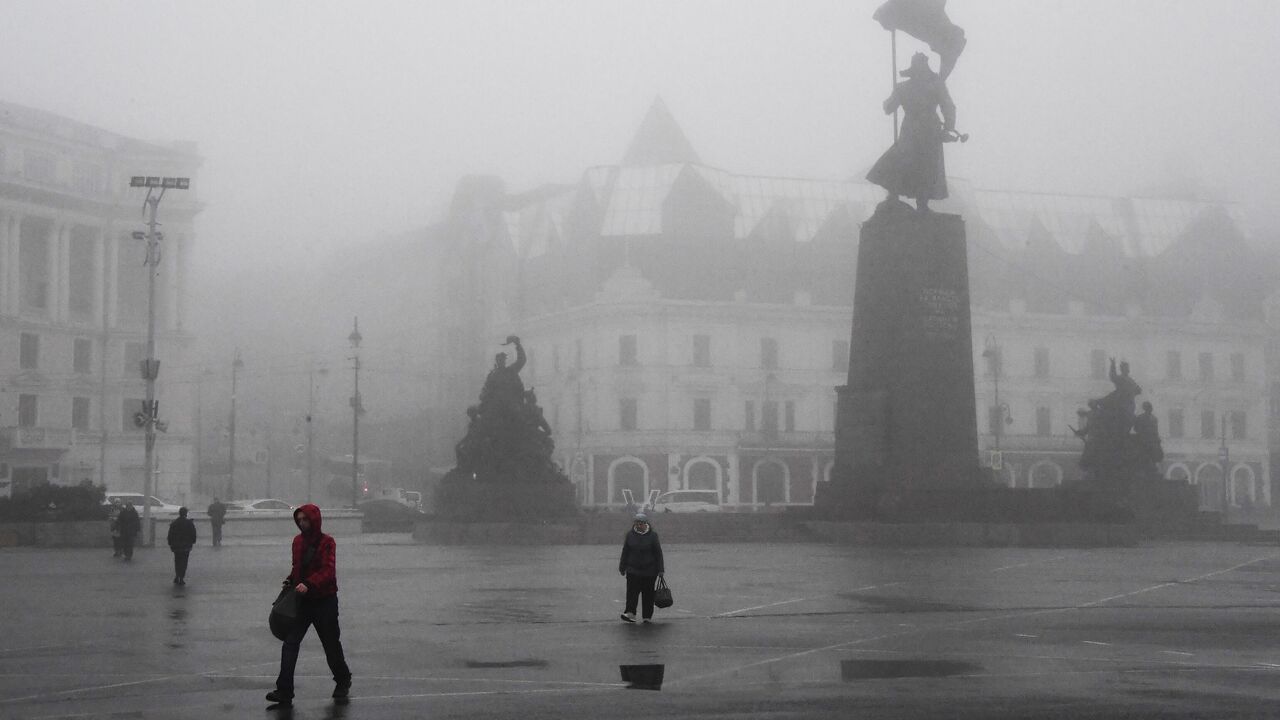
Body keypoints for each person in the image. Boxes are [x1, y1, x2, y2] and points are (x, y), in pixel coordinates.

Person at [266, 504, 352, 707]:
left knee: (331, 645)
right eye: (300, 519)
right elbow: (298, 568)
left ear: (314, 520)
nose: (302, 523)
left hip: (325, 601)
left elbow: (328, 570)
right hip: (302, 602)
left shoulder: (327, 542)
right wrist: (291, 580)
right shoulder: (297, 542)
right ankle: (284, 690)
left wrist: (310, 583)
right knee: (290, 644)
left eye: (306, 519)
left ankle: (342, 680)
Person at [866, 52, 956, 211]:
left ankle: (916, 202)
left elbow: (948, 107)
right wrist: (947, 127)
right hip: (920, 129)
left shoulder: (914, 87)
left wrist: (948, 127)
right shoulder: (920, 86)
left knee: (918, 164)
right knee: (910, 163)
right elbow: (948, 107)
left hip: (921, 130)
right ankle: (904, 199)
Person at [618, 513, 664, 624]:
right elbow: (625, 552)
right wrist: (622, 567)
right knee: (631, 593)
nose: (639, 525)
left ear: (646, 523)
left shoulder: (653, 536)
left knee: (648, 595)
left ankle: (647, 617)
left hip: (649, 571)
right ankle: (630, 613)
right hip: (633, 570)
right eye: (637, 523)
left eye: (641, 523)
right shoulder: (630, 535)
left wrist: (661, 569)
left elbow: (658, 553)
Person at [166, 507, 197, 585]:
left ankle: (177, 575)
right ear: (186, 513)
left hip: (176, 546)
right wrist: (192, 542)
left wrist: (170, 543)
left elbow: (170, 535)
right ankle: (181, 577)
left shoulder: (174, 523)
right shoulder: (189, 523)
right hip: (186, 546)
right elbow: (193, 534)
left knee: (177, 561)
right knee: (184, 562)